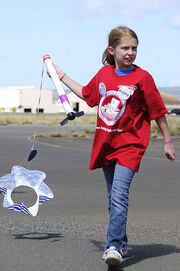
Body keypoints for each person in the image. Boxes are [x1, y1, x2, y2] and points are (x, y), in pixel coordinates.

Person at [51, 26, 175, 266]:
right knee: (113, 197)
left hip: (131, 145)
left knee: (119, 195)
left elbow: (158, 112)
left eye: (134, 48)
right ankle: (122, 242)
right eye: (125, 48)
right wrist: (61, 76)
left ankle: (114, 247)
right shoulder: (104, 74)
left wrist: (168, 141)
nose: (130, 52)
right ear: (112, 49)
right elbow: (87, 95)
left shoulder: (143, 78)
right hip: (107, 144)